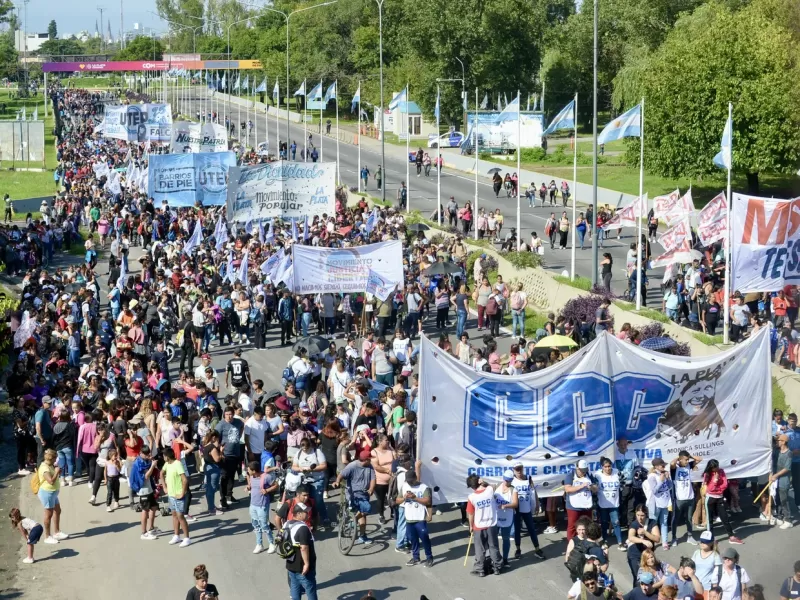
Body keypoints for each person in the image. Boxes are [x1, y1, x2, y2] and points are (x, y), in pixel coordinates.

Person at [334, 449, 376, 546]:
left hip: (364, 494)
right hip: (353, 494)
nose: (371, 461)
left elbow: (373, 478)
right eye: (369, 459)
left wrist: (371, 488)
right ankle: (353, 522)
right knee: (364, 510)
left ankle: (361, 534)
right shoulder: (352, 466)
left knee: (364, 513)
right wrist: (337, 481)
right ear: (365, 460)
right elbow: (341, 474)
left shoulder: (370, 466)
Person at [465, 473, 503, 577]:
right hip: (491, 524)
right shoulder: (489, 490)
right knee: (493, 546)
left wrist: (471, 526)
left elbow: (470, 514)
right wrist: (483, 482)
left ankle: (480, 569)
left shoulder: (472, 497)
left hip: (479, 526)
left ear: (472, 486)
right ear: (479, 481)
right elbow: (489, 485)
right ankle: (497, 567)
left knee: (480, 548)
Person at [702, 459, 743, 544]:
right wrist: (715, 480)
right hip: (710, 498)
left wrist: (718, 489)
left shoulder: (721, 471)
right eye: (715, 467)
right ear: (711, 468)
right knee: (709, 520)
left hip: (720, 497)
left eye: (717, 466)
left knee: (724, 517)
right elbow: (710, 489)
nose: (717, 468)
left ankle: (731, 536)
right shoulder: (707, 474)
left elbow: (725, 485)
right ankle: (711, 538)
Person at [398, 469, 434, 567]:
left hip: (420, 518)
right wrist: (404, 498)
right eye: (408, 480)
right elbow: (397, 500)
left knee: (424, 538)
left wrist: (415, 498)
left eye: (411, 480)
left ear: (415, 478)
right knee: (412, 539)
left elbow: (428, 501)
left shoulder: (423, 487)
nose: (409, 482)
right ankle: (416, 557)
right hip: (409, 518)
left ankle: (429, 557)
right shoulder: (405, 486)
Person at [509, 462, 545, 559]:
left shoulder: (528, 478)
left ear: (523, 468)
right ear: (513, 470)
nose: (519, 471)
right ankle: (518, 549)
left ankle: (537, 549)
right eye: (517, 469)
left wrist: (537, 504)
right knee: (517, 530)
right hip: (516, 508)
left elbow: (534, 491)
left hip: (526, 507)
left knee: (531, 529)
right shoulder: (511, 480)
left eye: (520, 468)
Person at [284, 503, 318, 600]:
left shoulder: (287, 524)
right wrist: (306, 564)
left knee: (295, 587)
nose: (308, 513)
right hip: (302, 567)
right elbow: (304, 547)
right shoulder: (302, 528)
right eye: (306, 512)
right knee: (310, 590)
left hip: (291, 564)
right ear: (299, 514)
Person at [36, 448, 68, 544]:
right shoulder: (44, 468)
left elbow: (54, 476)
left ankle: (57, 532)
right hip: (47, 493)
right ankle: (47, 536)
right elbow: (50, 481)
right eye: (55, 458)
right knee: (48, 515)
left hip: (53, 493)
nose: (56, 460)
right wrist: (57, 472)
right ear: (51, 458)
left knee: (57, 511)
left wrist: (57, 471)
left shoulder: (50, 465)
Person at [161, 447, 191, 547]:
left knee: (180, 516)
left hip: (178, 495)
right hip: (171, 495)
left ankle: (187, 538)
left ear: (167, 456)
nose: (163, 457)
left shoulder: (177, 464)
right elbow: (161, 473)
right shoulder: (167, 464)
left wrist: (183, 492)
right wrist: (164, 487)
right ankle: (176, 536)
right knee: (174, 514)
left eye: (164, 456)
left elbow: (185, 480)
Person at [670, 450, 702, 545]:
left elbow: (699, 459)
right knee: (675, 518)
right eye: (685, 460)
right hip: (679, 498)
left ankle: (690, 536)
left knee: (689, 518)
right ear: (680, 459)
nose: (687, 461)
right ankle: (674, 538)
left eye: (688, 460)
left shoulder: (689, 465)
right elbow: (672, 463)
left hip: (690, 497)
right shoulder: (675, 468)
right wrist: (679, 458)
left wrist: (689, 456)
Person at [246, 460, 278, 554]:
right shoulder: (252, 476)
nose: (248, 471)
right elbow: (251, 485)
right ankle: (259, 544)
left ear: (254, 470)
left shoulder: (266, 477)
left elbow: (276, 485)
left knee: (264, 525)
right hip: (253, 505)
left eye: (249, 470)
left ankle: (272, 543)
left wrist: (267, 490)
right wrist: (248, 487)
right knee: (256, 525)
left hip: (262, 505)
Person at [215, 406, 244, 508]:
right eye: (227, 414)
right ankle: (222, 500)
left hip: (235, 453)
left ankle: (229, 495)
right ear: (224, 415)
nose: (229, 416)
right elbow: (215, 437)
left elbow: (242, 427)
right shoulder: (221, 424)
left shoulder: (238, 422)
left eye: (230, 414)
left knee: (232, 476)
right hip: (225, 455)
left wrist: (239, 437)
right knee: (224, 477)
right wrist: (219, 449)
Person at [594, 457, 625, 550]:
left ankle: (620, 542)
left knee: (616, 522)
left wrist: (620, 490)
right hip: (603, 503)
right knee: (604, 523)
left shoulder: (617, 472)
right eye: (605, 467)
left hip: (614, 503)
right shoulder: (597, 475)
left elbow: (623, 482)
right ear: (602, 467)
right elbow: (594, 487)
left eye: (609, 466)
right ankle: (604, 541)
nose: (608, 468)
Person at [627, 504, 661, 582]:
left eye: (642, 515)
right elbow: (631, 537)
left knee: (649, 577)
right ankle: (637, 592)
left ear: (646, 514)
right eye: (638, 515)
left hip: (647, 556)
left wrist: (645, 533)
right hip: (635, 555)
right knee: (638, 577)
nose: (640, 518)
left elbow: (657, 538)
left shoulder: (652, 523)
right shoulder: (634, 524)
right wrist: (643, 541)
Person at [564, 459, 596, 540]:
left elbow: (596, 488)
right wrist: (581, 486)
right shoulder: (570, 475)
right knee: (573, 527)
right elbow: (567, 489)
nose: (583, 472)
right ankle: (571, 545)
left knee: (588, 525)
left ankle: (587, 543)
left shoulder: (589, 475)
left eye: (585, 470)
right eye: (582, 470)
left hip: (586, 505)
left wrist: (591, 487)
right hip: (573, 506)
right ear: (577, 468)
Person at [494, 470, 519, 567]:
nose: (506, 482)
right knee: (493, 539)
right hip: (496, 517)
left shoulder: (514, 489)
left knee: (505, 538)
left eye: (508, 481)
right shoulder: (497, 486)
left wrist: (506, 506)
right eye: (505, 480)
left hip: (507, 517)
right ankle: (495, 558)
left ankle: (505, 559)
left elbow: (515, 504)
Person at [772, 434, 794, 528]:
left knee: (784, 499)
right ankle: (780, 517)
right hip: (775, 479)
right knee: (777, 499)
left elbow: (787, 468)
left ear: (784, 442)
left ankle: (788, 520)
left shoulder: (789, 453)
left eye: (779, 441)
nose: (777, 442)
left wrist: (776, 475)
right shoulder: (777, 451)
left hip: (784, 480)